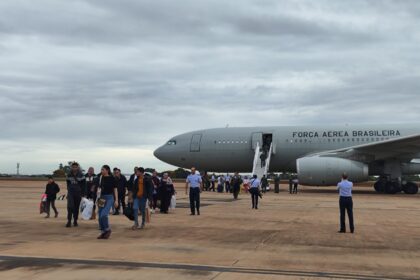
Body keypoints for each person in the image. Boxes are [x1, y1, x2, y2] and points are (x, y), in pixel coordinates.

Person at [97, 165, 119, 239]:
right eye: (101, 169)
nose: (101, 171)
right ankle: (103, 232)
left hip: (109, 198)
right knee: (100, 215)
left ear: (107, 170)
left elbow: (115, 189)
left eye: (103, 169)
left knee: (104, 214)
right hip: (101, 198)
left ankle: (107, 229)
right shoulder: (100, 177)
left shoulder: (112, 178)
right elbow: (99, 188)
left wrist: (116, 200)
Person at [65, 162, 86, 228]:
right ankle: (69, 221)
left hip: (78, 193)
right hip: (71, 193)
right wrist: (69, 190)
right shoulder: (69, 175)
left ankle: (75, 220)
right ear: (71, 167)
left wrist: (83, 194)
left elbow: (84, 185)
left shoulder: (81, 175)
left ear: (78, 167)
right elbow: (68, 183)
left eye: (75, 167)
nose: (74, 168)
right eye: (73, 167)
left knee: (76, 208)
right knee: (70, 207)